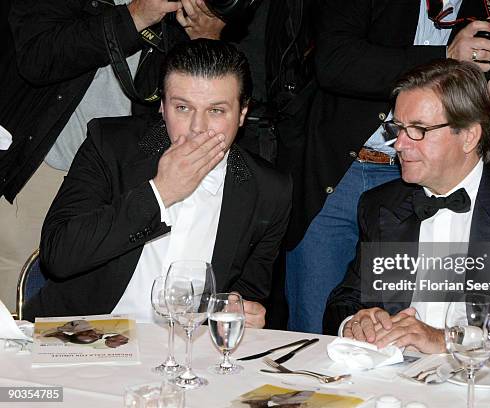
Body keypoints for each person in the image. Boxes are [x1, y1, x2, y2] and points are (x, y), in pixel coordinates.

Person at [323, 59, 490, 380]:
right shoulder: (382, 204)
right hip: (397, 381)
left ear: (469, 136)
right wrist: (357, 321)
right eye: (397, 128)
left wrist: (447, 341)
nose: (399, 145)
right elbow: (345, 299)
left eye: (418, 129)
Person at [285, 0, 490, 334]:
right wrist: (445, 55)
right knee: (318, 326)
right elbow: (334, 61)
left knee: (421, 322)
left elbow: (488, 138)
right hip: (343, 171)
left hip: (430, 182)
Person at [23, 39, 292, 329]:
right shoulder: (111, 146)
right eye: (183, 108)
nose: (197, 127)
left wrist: (244, 309)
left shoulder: (268, 190)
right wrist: (159, 192)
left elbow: (248, 292)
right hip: (84, 337)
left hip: (190, 353)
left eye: (216, 111)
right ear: (162, 107)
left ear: (241, 114)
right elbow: (59, 256)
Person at [0, 0, 225, 312]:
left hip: (126, 177)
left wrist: (206, 39)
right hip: (47, 164)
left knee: (109, 311)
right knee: (19, 303)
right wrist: (135, 16)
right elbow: (36, 58)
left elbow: (184, 98)